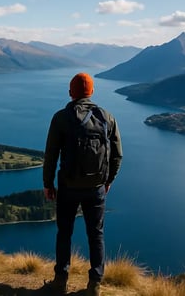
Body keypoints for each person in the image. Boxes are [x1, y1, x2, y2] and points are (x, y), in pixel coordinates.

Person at [42, 72, 123, 296]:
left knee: (64, 233)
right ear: (92, 92)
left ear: (71, 92)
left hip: (68, 187)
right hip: (96, 187)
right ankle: (94, 284)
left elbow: (51, 154)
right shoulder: (107, 117)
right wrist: (108, 180)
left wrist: (48, 184)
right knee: (96, 235)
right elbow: (117, 155)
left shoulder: (61, 117)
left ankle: (60, 281)